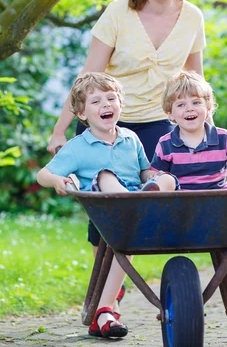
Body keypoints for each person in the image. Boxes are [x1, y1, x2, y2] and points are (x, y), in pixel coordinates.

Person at [47, 0, 204, 310]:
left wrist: (204, 129)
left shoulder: (193, 17)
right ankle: (109, 299)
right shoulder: (120, 11)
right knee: (108, 215)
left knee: (137, 211)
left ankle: (107, 299)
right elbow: (87, 78)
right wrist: (60, 131)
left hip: (160, 125)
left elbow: (194, 78)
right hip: (108, 122)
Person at [37, 73, 177, 338]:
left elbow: (143, 170)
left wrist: (156, 178)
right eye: (96, 101)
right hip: (104, 213)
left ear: (121, 105)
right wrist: (57, 179)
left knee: (166, 178)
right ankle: (105, 310)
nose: (106, 105)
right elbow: (42, 175)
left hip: (133, 211)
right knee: (106, 176)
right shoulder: (79, 146)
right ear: (81, 113)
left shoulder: (131, 139)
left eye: (111, 98)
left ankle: (104, 313)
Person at [151, 71, 227, 188]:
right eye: (181, 105)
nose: (189, 109)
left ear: (208, 108)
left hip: (220, 200)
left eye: (196, 102)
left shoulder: (222, 138)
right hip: (183, 203)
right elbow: (156, 178)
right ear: (170, 113)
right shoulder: (165, 144)